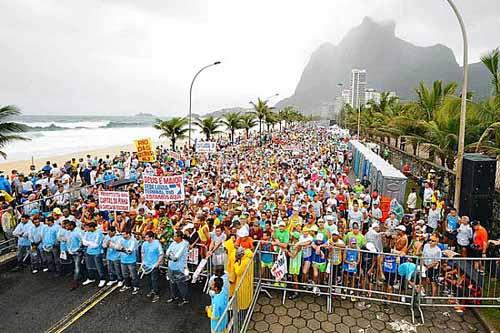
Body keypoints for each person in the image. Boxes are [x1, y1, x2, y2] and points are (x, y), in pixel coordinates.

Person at [166, 231, 189, 306]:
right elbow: (167, 253)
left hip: (180, 268)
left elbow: (176, 257)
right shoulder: (173, 243)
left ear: (179, 237)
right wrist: (170, 256)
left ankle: (184, 299)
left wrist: (170, 256)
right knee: (171, 282)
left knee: (181, 284)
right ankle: (173, 296)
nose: (174, 237)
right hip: (171, 266)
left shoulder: (183, 245)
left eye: (175, 236)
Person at [81, 222, 106, 287]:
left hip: (96, 253)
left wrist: (88, 243)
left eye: (88, 227)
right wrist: (90, 243)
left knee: (99, 266)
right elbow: (83, 242)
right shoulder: (87, 232)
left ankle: (102, 279)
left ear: (92, 227)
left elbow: (96, 245)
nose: (86, 229)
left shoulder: (99, 233)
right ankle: (91, 278)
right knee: (89, 266)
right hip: (88, 252)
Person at [142, 230, 164, 303]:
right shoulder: (145, 244)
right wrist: (143, 262)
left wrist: (157, 264)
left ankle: (156, 294)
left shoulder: (157, 244)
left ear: (151, 238)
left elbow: (161, 254)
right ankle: (152, 290)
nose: (145, 238)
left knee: (154, 280)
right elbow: (143, 253)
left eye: (147, 237)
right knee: (149, 279)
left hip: (154, 265)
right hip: (147, 265)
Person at [118, 229, 140, 294]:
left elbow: (129, 251)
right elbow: (117, 248)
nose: (122, 236)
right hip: (123, 260)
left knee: (133, 275)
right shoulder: (121, 239)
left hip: (131, 260)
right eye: (122, 234)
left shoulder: (133, 241)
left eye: (124, 234)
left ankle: (136, 286)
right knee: (125, 274)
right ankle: (127, 285)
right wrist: (123, 249)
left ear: (128, 234)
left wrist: (122, 249)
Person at [422, 234, 442, 298]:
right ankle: (423, 291)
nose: (430, 241)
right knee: (424, 279)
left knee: (433, 282)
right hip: (425, 265)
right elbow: (423, 255)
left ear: (436, 242)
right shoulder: (426, 245)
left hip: (433, 268)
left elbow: (437, 261)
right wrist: (422, 263)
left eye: (433, 241)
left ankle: (433, 297)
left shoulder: (438, 250)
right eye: (429, 240)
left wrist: (428, 266)